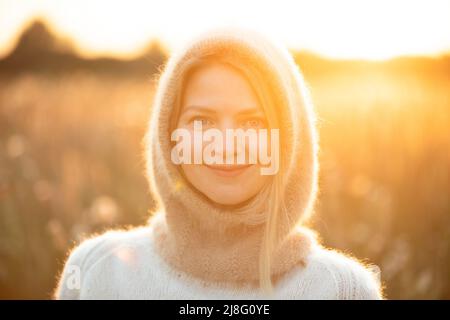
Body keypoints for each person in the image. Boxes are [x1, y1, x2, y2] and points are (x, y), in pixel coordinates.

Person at [55, 27, 383, 299]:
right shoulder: (95, 273)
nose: (226, 144)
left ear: (289, 140)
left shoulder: (345, 291)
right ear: (169, 136)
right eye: (202, 120)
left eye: (254, 123)